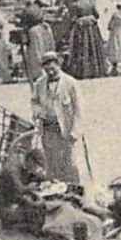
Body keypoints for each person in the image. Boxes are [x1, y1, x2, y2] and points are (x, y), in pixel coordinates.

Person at [31, 51, 86, 185]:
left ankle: (75, 189)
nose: (49, 72)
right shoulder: (39, 84)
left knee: (69, 163)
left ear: (58, 64)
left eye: (52, 68)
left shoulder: (71, 83)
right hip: (48, 129)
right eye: (46, 68)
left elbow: (79, 109)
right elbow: (34, 102)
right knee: (51, 162)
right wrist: (38, 112)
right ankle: (56, 191)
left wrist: (76, 130)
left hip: (65, 129)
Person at [66, 0, 108, 79]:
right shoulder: (90, 1)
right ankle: (97, 70)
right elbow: (97, 15)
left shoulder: (75, 5)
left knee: (81, 48)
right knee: (94, 48)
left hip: (81, 27)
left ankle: (82, 71)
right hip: (92, 26)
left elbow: (72, 18)